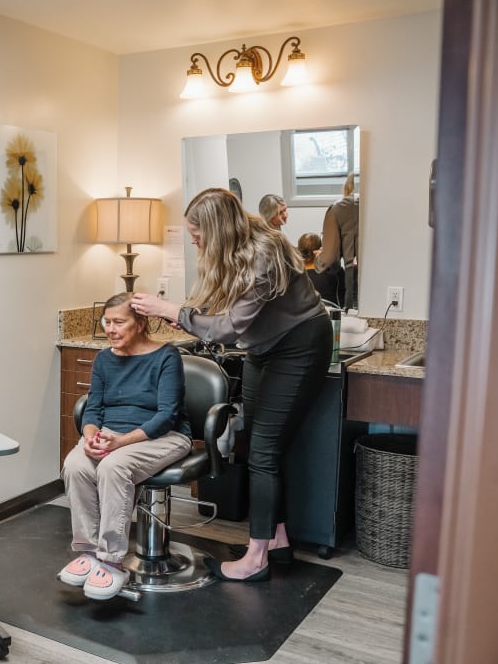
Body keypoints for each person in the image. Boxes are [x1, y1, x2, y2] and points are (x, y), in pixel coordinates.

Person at [132, 188, 332, 582]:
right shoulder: (236, 249)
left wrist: (173, 311)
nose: (194, 241)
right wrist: (189, 315)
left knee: (264, 452)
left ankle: (255, 560)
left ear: (218, 230)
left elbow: (227, 328)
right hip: (264, 347)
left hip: (300, 346)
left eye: (198, 234)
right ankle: (276, 541)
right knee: (261, 444)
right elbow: (227, 310)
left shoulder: (264, 254)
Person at [58, 292, 192, 600]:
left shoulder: (166, 356)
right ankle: (89, 552)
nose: (111, 329)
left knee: (113, 466)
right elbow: (93, 409)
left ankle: (111, 560)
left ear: (141, 323)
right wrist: (90, 435)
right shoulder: (105, 358)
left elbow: (166, 416)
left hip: (162, 436)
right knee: (76, 464)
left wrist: (121, 442)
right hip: (111, 434)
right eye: (107, 322)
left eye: (119, 322)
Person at [315, 176, 359, 309]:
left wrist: (317, 260)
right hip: (378, 272)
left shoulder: (336, 209)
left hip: (352, 274)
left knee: (354, 314)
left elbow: (329, 255)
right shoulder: (375, 205)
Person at [298, 233, 345, 308]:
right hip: (331, 316)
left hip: (302, 317)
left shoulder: (293, 277)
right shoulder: (336, 273)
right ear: (320, 250)